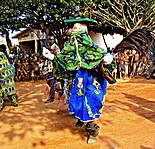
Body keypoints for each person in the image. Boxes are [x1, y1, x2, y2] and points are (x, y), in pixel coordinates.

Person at [44, 6, 116, 144]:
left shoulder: (95, 50)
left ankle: (92, 130)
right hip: (79, 81)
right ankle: (83, 120)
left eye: (79, 34)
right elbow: (65, 61)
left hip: (93, 81)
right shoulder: (70, 48)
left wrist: (107, 62)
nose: (76, 38)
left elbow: (106, 63)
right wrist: (54, 58)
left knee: (90, 104)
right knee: (77, 102)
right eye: (74, 34)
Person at [42, 35, 63, 103]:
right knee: (49, 82)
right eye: (49, 39)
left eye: (52, 39)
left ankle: (52, 97)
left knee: (52, 82)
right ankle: (60, 91)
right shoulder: (48, 47)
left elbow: (58, 57)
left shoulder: (55, 47)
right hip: (47, 67)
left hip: (53, 67)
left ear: (54, 40)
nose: (50, 40)